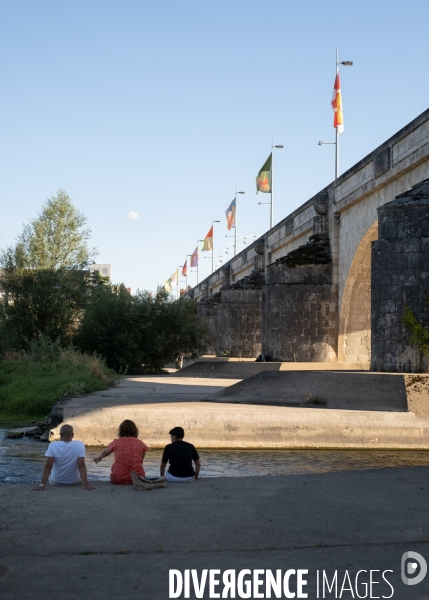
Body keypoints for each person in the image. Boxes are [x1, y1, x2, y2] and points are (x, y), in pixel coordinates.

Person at [33, 424, 95, 491]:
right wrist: (86, 485)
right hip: (74, 482)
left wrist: (42, 485)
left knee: (51, 472)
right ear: (72, 435)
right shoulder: (80, 444)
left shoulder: (53, 445)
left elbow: (48, 466)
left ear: (60, 435)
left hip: (56, 482)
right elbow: (81, 466)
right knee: (78, 475)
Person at [93, 419, 150, 485]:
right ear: (135, 430)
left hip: (118, 478)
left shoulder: (117, 442)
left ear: (121, 430)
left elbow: (106, 452)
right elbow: (141, 460)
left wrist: (100, 457)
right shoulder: (140, 443)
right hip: (137, 478)